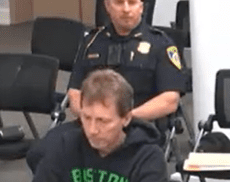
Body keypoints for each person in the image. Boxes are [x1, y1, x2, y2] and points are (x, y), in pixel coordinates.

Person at [13, 69, 167, 182]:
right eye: (86, 118)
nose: (93, 130)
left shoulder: (148, 156)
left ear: (126, 118)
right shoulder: (65, 146)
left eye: (103, 121)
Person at [27, 0, 185, 171]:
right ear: (108, 7)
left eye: (132, 3)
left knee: (109, 161)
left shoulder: (161, 44)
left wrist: (122, 119)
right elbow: (74, 93)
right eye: (119, 3)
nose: (126, 9)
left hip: (135, 126)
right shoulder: (92, 42)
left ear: (141, 6)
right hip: (91, 125)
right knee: (40, 153)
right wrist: (92, 120)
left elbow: (170, 100)